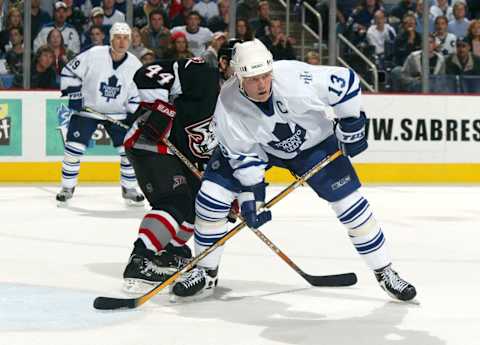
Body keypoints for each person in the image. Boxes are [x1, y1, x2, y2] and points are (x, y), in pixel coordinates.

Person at [170, 39, 417, 303]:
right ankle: (206, 272)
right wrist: (253, 198)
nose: (262, 84)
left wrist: (351, 122)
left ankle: (385, 271)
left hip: (315, 144)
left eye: (265, 76)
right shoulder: (228, 104)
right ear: (239, 76)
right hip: (261, 150)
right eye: (254, 79)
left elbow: (346, 82)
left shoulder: (296, 78)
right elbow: (244, 156)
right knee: (211, 197)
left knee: (352, 206)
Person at [121, 57, 219, 293]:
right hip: (150, 145)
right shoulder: (205, 76)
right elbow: (148, 72)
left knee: (198, 204)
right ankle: (140, 259)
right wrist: (161, 108)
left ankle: (171, 252)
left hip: (179, 155)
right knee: (174, 202)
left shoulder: (240, 109)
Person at [56, 22, 145, 205]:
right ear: (111, 39)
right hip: (88, 111)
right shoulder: (94, 54)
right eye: (118, 38)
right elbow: (69, 71)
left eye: (126, 38)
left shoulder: (135, 64)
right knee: (73, 149)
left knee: (128, 152)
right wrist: (75, 95)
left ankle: (129, 188)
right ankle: (67, 187)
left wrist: (134, 112)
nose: (122, 42)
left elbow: (137, 93)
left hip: (118, 114)